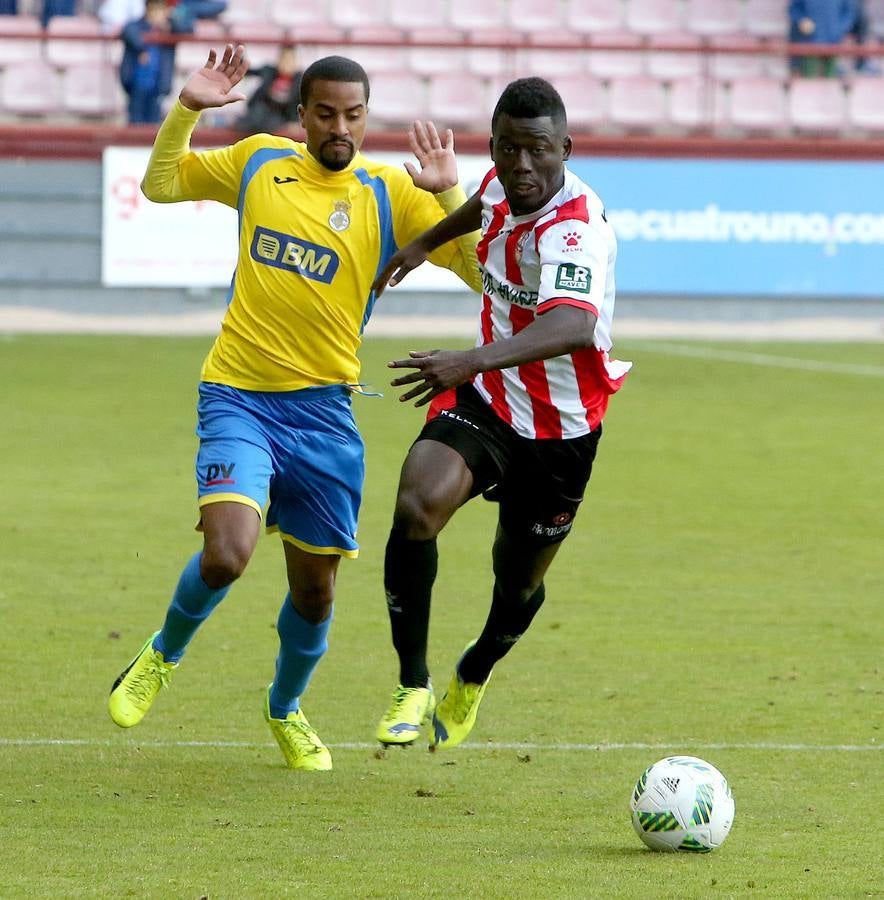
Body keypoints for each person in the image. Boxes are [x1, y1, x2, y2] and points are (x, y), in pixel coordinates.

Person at [107, 45, 482, 771]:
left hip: (324, 416)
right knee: (229, 552)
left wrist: (444, 194)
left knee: (314, 595)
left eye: (354, 115)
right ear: (302, 116)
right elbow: (159, 185)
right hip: (238, 397)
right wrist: (186, 108)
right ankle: (160, 655)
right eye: (326, 114)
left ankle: (284, 708)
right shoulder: (258, 163)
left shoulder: (391, 193)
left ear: (367, 117)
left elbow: (474, 273)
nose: (341, 128)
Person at [373, 77, 631, 751]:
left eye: (537, 151)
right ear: (494, 144)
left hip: (561, 430)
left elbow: (573, 325)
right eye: (508, 149)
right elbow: (481, 206)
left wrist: (469, 359)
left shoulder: (574, 229)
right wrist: (423, 243)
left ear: (565, 149)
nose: (521, 166)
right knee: (415, 506)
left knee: (516, 583)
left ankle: (475, 671)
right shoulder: (500, 181)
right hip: (488, 404)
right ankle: (411, 683)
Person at [120, 0, 175, 124]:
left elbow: (188, 28)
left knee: (154, 125)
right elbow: (128, 31)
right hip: (136, 85)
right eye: (155, 9)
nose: (158, 13)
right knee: (135, 123)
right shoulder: (137, 26)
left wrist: (172, 22)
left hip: (158, 85)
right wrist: (142, 49)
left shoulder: (170, 29)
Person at [234, 46, 303, 136]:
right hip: (262, 108)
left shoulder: (299, 79)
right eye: (284, 59)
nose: (286, 64)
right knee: (254, 118)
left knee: (269, 125)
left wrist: (294, 121)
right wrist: (240, 55)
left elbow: (298, 103)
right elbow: (247, 71)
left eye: (290, 60)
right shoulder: (269, 71)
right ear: (279, 60)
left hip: (280, 115)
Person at [788, 0, 856, 77]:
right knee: (809, 79)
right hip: (809, 45)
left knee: (831, 79)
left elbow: (849, 14)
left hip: (833, 45)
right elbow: (794, 10)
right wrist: (801, 20)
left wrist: (838, 30)